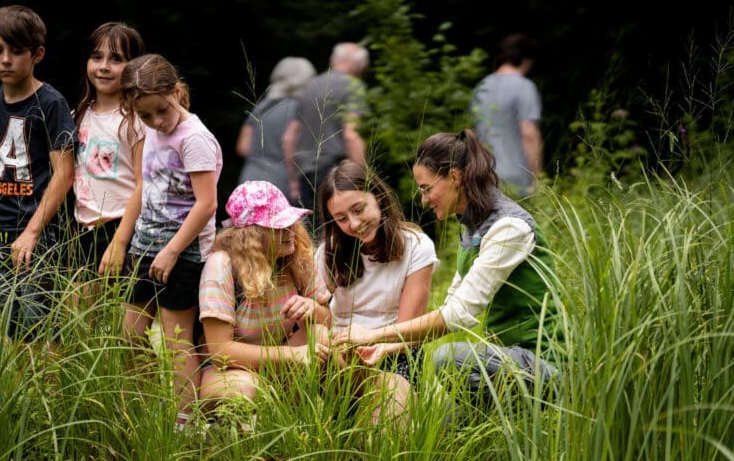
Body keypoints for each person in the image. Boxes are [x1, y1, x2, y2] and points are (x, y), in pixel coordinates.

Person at [333, 130, 560, 404]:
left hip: (544, 363)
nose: (424, 200)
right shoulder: (473, 228)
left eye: (426, 188)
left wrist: (371, 335)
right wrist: (386, 347)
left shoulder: (509, 227)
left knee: (449, 359)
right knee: (441, 423)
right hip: (508, 356)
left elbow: (459, 314)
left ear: (454, 177)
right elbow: (453, 302)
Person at [108, 54, 222, 430]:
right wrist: (123, 241)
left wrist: (172, 250)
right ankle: (142, 413)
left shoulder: (195, 139)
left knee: (176, 340)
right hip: (144, 245)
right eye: (146, 116)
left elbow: (207, 204)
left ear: (177, 91)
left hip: (184, 252)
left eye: (162, 110)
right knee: (129, 334)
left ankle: (183, 423)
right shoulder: (151, 133)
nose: (158, 121)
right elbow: (144, 189)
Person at [0, 5, 77, 341]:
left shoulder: (51, 104)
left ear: (37, 54)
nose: (6, 59)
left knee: (37, 330)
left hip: (34, 232)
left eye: (16, 51)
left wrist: (33, 231)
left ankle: (45, 392)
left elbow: (64, 173)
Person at [315, 160, 437, 423]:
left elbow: (411, 331)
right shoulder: (327, 251)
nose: (354, 223)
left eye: (359, 209)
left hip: (394, 351)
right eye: (342, 218)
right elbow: (318, 320)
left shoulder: (416, 246)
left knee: (387, 428)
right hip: (340, 356)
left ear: (378, 197)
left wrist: (371, 342)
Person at [197, 180, 331, 413]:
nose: (290, 231)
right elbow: (220, 352)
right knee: (246, 388)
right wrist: (290, 355)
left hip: (280, 363)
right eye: (277, 226)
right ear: (250, 236)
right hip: (229, 371)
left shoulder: (297, 258)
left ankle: (290, 423)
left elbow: (328, 321)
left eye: (290, 222)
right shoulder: (222, 266)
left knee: (319, 334)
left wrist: (313, 309)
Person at [68, 22, 145, 309]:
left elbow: (143, 184)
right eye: (96, 57)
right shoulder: (78, 115)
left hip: (123, 228)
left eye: (116, 59)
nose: (104, 66)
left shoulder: (135, 121)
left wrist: (120, 242)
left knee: (121, 329)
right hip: (82, 230)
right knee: (78, 321)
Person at [282, 42, 370, 237]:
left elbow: (289, 137)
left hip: (305, 173)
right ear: (359, 66)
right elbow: (351, 134)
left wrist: (293, 181)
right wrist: (363, 177)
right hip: (336, 171)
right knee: (339, 234)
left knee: (311, 235)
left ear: (333, 60)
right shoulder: (353, 86)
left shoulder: (309, 87)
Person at [470, 33, 543, 198]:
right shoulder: (524, 87)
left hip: (484, 175)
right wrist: (538, 178)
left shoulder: (481, 87)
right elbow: (529, 132)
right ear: (526, 59)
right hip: (517, 177)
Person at [235, 56, 316, 194]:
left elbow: (243, 147)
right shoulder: (301, 108)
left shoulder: (261, 107)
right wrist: (293, 180)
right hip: (282, 182)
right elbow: (290, 143)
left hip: (249, 181)